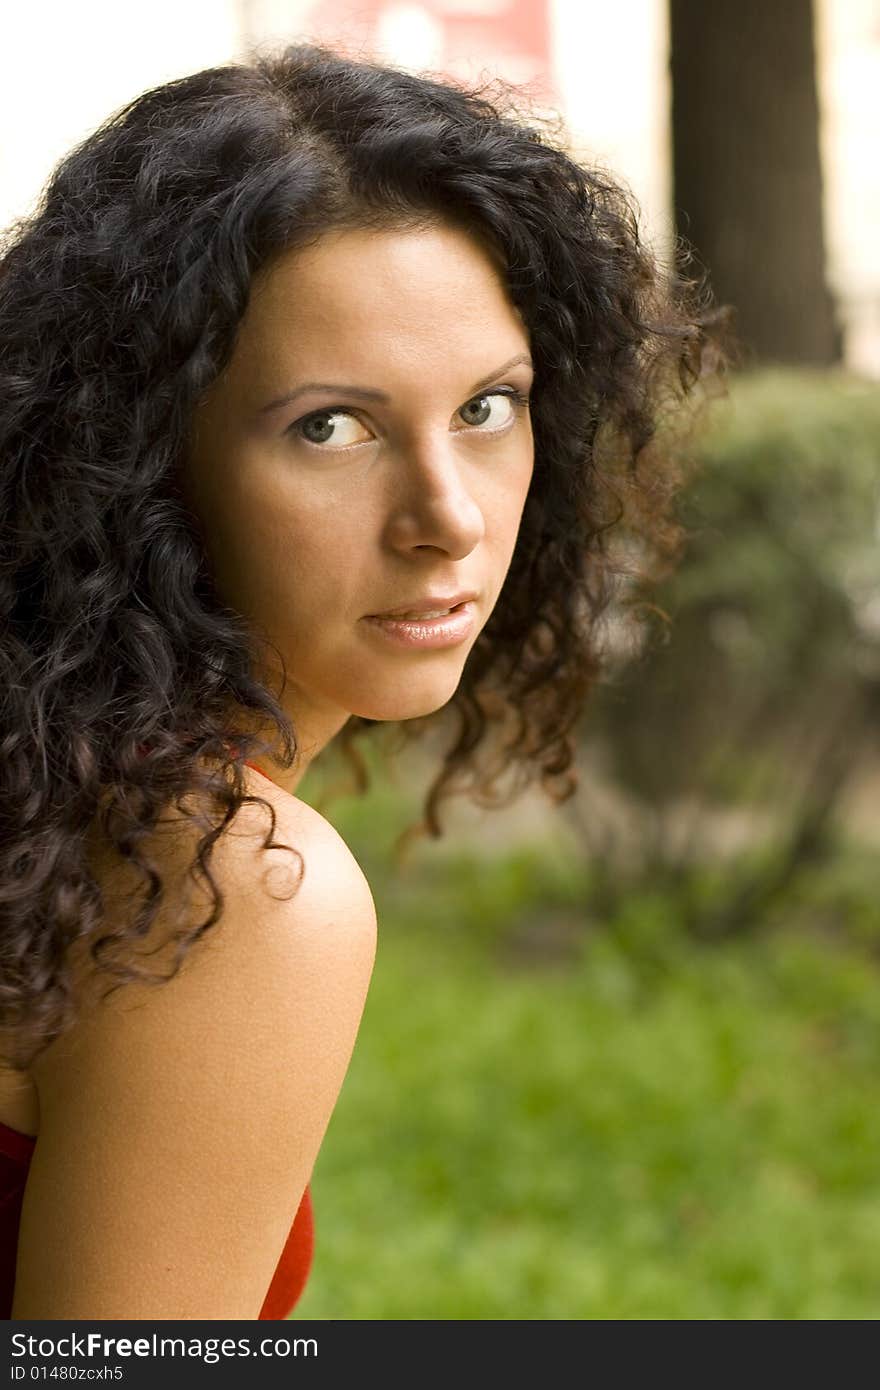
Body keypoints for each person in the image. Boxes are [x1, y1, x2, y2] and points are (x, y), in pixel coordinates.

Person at [0, 42, 728, 1319]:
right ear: (140, 458)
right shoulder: (232, 884)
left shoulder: (52, 791)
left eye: (487, 407)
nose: (446, 518)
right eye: (330, 426)